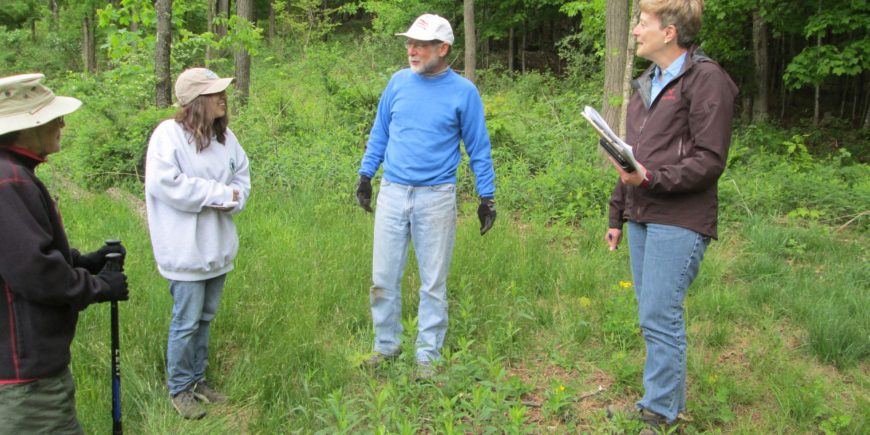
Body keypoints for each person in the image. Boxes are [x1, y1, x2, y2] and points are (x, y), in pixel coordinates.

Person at [603, 0, 738, 431]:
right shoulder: (646, 84)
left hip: (680, 218)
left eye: (643, 23)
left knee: (661, 315)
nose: (637, 31)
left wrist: (651, 179)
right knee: (654, 314)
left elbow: (710, 160)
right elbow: (632, 160)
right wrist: (617, 213)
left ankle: (658, 412)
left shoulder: (707, 80)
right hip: (643, 212)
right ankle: (662, 404)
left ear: (669, 33)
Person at [355, 13, 497, 380]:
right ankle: (386, 347)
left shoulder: (463, 91)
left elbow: (478, 147)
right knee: (382, 278)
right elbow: (380, 131)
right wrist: (366, 175)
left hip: (436, 197)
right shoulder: (398, 82)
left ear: (443, 48)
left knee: (433, 283)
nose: (411, 50)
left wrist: (487, 196)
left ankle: (427, 357)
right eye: (410, 44)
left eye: (420, 45)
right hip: (393, 191)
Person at [0, 73, 129, 433]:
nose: (62, 124)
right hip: (26, 380)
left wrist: (81, 261)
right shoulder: (8, 181)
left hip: (25, 369)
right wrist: (100, 287)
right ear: (26, 127)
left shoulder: (13, 174)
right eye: (51, 118)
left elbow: (22, 253)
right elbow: (35, 273)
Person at [145, 68, 251, 419]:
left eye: (223, 92)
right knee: (186, 320)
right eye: (214, 93)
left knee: (205, 318)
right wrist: (220, 194)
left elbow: (242, 177)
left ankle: (197, 379)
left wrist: (235, 197)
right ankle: (179, 389)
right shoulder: (168, 136)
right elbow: (170, 185)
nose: (223, 97)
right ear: (194, 101)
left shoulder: (226, 138)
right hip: (184, 250)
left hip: (217, 247)